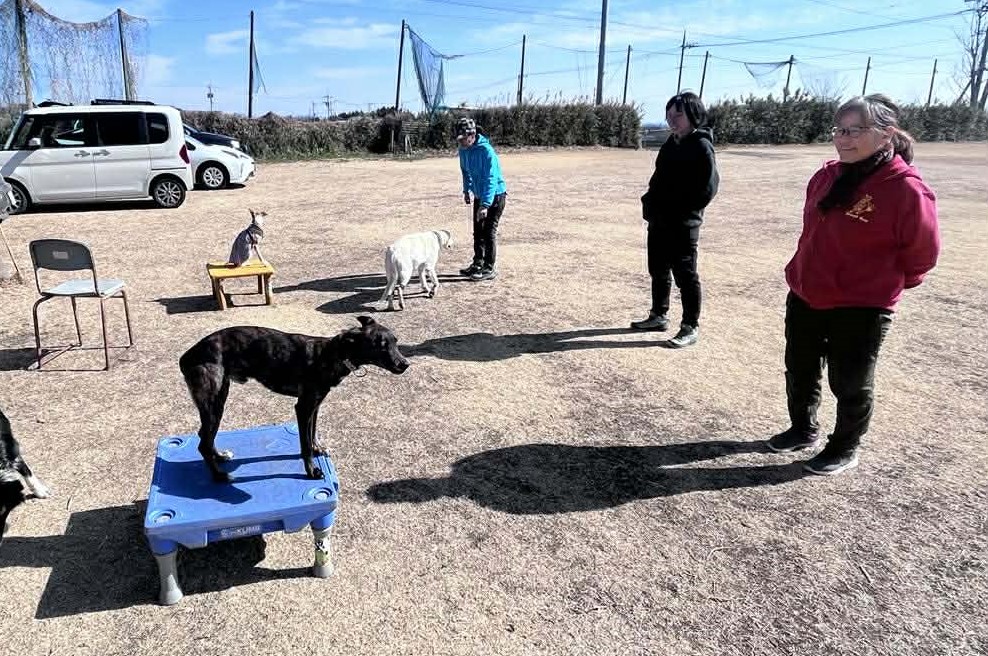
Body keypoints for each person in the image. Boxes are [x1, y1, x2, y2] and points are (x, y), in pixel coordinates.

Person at [767, 94, 940, 476]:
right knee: (800, 369)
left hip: (862, 303)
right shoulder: (827, 176)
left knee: (850, 381)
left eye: (854, 131)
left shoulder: (905, 189)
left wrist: (882, 284)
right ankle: (802, 428)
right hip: (807, 291)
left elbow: (923, 252)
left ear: (885, 134)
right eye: (839, 130)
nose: (843, 139)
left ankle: (844, 446)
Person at [633, 91, 719, 348]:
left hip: (683, 225)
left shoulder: (701, 146)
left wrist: (683, 213)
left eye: (678, 115)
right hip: (660, 221)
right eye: (669, 115)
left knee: (686, 276)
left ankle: (690, 326)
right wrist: (649, 205)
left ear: (694, 115)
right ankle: (658, 315)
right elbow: (657, 179)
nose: (672, 120)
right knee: (658, 270)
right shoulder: (671, 143)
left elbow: (708, 188)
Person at [456, 117, 507, 282]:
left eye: (463, 139)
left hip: (495, 196)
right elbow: (465, 172)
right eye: (459, 139)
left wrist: (485, 205)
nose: (461, 142)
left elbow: (491, 179)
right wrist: (466, 190)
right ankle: (477, 263)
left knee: (489, 232)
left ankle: (489, 267)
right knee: (478, 232)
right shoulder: (463, 150)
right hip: (479, 194)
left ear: (472, 135)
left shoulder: (486, 151)